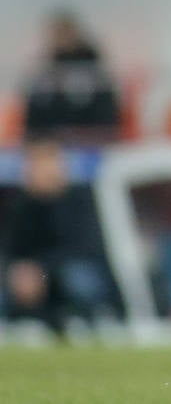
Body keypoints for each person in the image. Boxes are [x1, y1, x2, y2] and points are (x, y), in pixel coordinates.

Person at [2, 140, 114, 333]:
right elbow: (11, 248)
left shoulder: (80, 200)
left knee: (78, 278)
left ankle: (89, 319)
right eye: (35, 166)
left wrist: (41, 268)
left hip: (64, 269)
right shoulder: (20, 206)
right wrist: (17, 270)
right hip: (33, 275)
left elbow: (85, 247)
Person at [23, 12, 121, 145]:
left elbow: (106, 116)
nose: (60, 39)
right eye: (57, 34)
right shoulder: (46, 74)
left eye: (64, 33)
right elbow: (34, 121)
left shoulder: (93, 71)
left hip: (92, 142)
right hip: (52, 144)